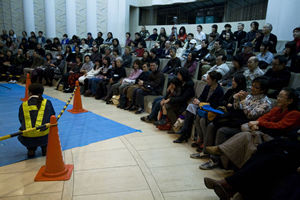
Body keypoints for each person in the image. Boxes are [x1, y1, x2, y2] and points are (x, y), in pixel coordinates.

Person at [206, 87, 300, 171]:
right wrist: (257, 123)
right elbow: (264, 117)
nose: (278, 98)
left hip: (275, 138)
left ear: (290, 101)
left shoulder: (295, 114)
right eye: (278, 95)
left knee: (246, 135)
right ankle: (228, 157)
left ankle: (222, 150)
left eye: (281, 96)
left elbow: (280, 126)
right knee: (246, 133)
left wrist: (258, 123)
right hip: (262, 131)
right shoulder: (277, 109)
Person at [198, 76, 272, 170]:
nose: (252, 88)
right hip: (237, 121)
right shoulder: (249, 96)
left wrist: (244, 101)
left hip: (247, 127)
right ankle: (205, 152)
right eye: (252, 85)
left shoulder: (266, 103)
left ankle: (215, 160)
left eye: (255, 87)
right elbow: (236, 108)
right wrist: (236, 99)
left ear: (263, 90)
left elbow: (250, 115)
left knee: (222, 130)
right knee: (212, 125)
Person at [191, 74, 247, 155]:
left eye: (234, 81)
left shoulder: (243, 95)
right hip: (222, 112)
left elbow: (236, 109)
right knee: (199, 117)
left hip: (229, 116)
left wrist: (227, 105)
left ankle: (207, 148)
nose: (232, 82)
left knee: (206, 121)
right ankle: (202, 141)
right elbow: (220, 102)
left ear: (239, 82)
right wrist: (227, 105)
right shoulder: (230, 91)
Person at [174, 71, 224, 143]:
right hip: (202, 107)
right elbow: (202, 97)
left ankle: (184, 133)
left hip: (210, 110)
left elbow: (214, 104)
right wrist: (197, 100)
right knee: (191, 106)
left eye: (208, 79)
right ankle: (184, 132)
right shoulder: (207, 87)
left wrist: (200, 103)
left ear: (214, 80)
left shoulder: (219, 90)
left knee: (195, 115)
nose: (206, 80)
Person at [18, 83, 55, 157]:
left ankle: (31, 149)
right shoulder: (47, 103)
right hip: (44, 135)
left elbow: (21, 119)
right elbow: (52, 116)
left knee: (24, 129)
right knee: (50, 127)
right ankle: (45, 148)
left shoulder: (23, 105)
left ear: (30, 93)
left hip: (27, 136)